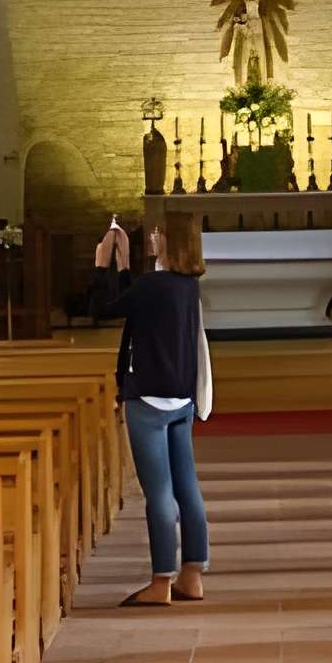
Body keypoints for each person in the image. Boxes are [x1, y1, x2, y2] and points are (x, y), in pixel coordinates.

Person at [92, 209, 211, 606]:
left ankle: (161, 580)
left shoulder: (153, 284)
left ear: (170, 240)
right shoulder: (186, 285)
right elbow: (134, 304)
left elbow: (103, 309)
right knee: (186, 485)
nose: (153, 236)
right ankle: (192, 573)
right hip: (180, 397)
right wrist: (125, 266)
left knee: (158, 491)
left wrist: (101, 265)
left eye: (159, 232)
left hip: (148, 400)